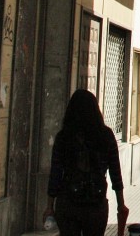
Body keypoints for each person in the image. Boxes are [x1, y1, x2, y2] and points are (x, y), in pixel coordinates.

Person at [44, 89, 128, 236]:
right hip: (96, 204)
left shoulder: (64, 137)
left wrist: (49, 205)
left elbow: (55, 174)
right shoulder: (106, 136)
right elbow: (116, 174)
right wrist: (121, 204)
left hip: (68, 203)